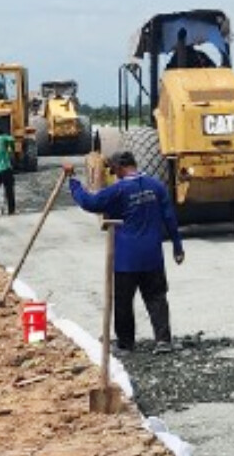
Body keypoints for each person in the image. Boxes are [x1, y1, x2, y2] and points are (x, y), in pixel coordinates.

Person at [66, 151, 185, 353]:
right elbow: (170, 218)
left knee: (123, 301)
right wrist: (177, 247)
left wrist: (73, 182)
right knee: (156, 297)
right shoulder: (156, 186)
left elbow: (90, 202)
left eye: (114, 171)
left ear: (120, 168)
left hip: (126, 259)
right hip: (153, 257)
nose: (115, 175)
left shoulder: (119, 190)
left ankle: (126, 344)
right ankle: (163, 340)